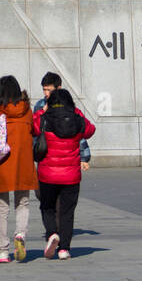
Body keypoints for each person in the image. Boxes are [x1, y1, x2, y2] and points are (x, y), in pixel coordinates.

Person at [34, 88, 95, 260]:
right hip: (71, 175)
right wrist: (75, 112)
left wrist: (41, 111)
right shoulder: (76, 119)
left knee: (47, 207)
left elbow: (32, 126)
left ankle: (52, 233)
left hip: (47, 174)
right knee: (67, 212)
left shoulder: (45, 119)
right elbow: (91, 130)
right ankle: (64, 249)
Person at [0, 75, 37, 263]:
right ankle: (20, 234)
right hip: (23, 164)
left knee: (1, 208)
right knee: (23, 203)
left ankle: (3, 251)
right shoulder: (27, 112)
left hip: (1, 165)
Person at [34, 72, 92, 171]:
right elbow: (35, 131)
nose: (46, 93)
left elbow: (79, 132)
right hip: (46, 156)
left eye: (49, 90)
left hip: (67, 155)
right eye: (44, 89)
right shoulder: (40, 105)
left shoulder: (68, 106)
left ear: (59, 88)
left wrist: (84, 157)